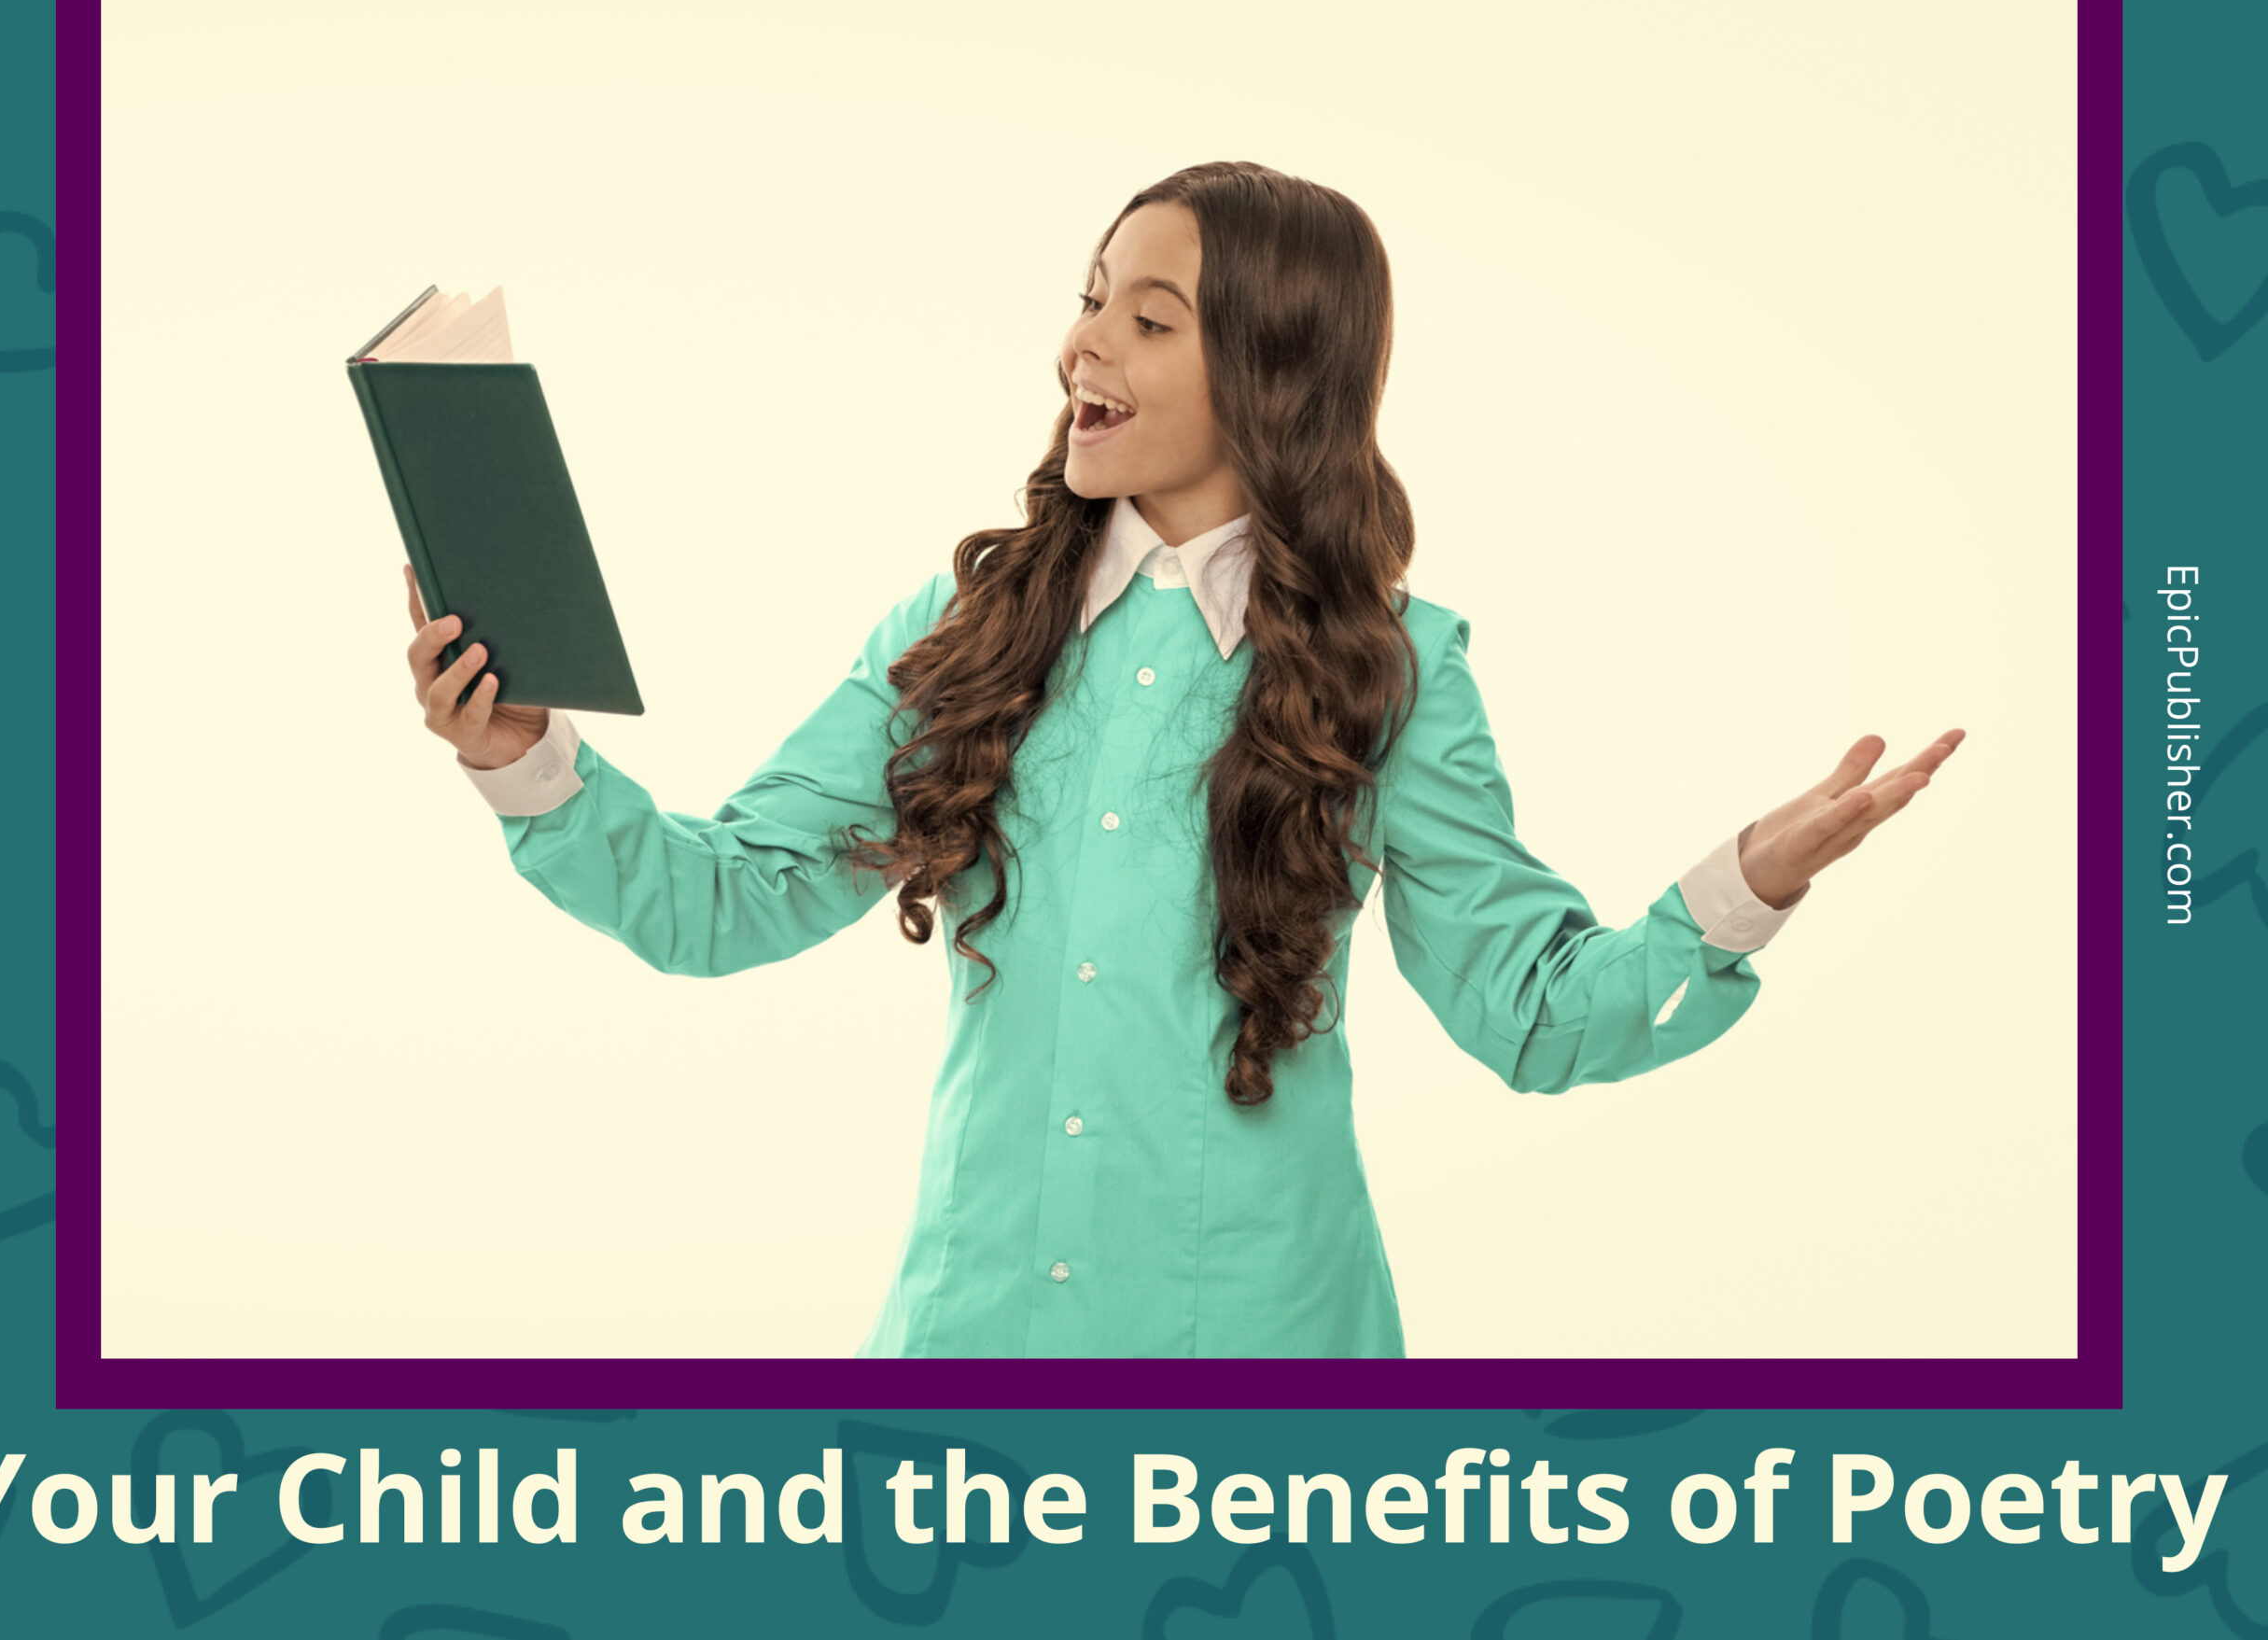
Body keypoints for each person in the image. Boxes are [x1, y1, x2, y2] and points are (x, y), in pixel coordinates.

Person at [399, 159, 1964, 1358]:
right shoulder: (960, 634)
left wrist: (1741, 888)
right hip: (971, 1348)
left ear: (1275, 376)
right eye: (1092, 296)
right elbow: (722, 900)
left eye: (1150, 320)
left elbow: (1535, 1015)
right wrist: (528, 757)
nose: (1084, 343)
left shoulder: (1392, 671)